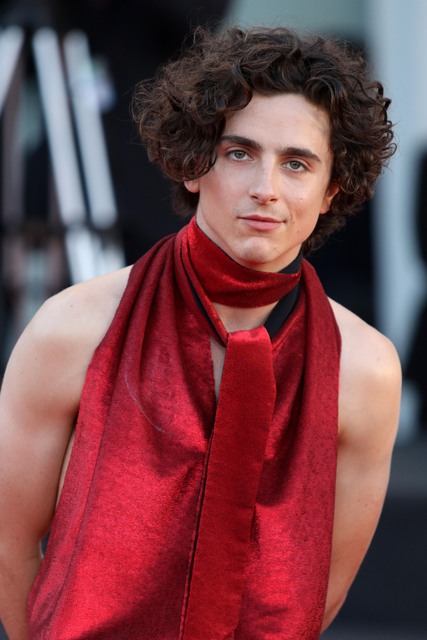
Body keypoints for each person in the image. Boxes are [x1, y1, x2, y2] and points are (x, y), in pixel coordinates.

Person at [0, 25, 401, 640]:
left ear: (331, 192)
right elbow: (8, 545)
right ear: (194, 165)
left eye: (296, 164)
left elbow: (323, 592)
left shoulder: (365, 368)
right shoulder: (72, 329)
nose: (265, 189)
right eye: (240, 154)